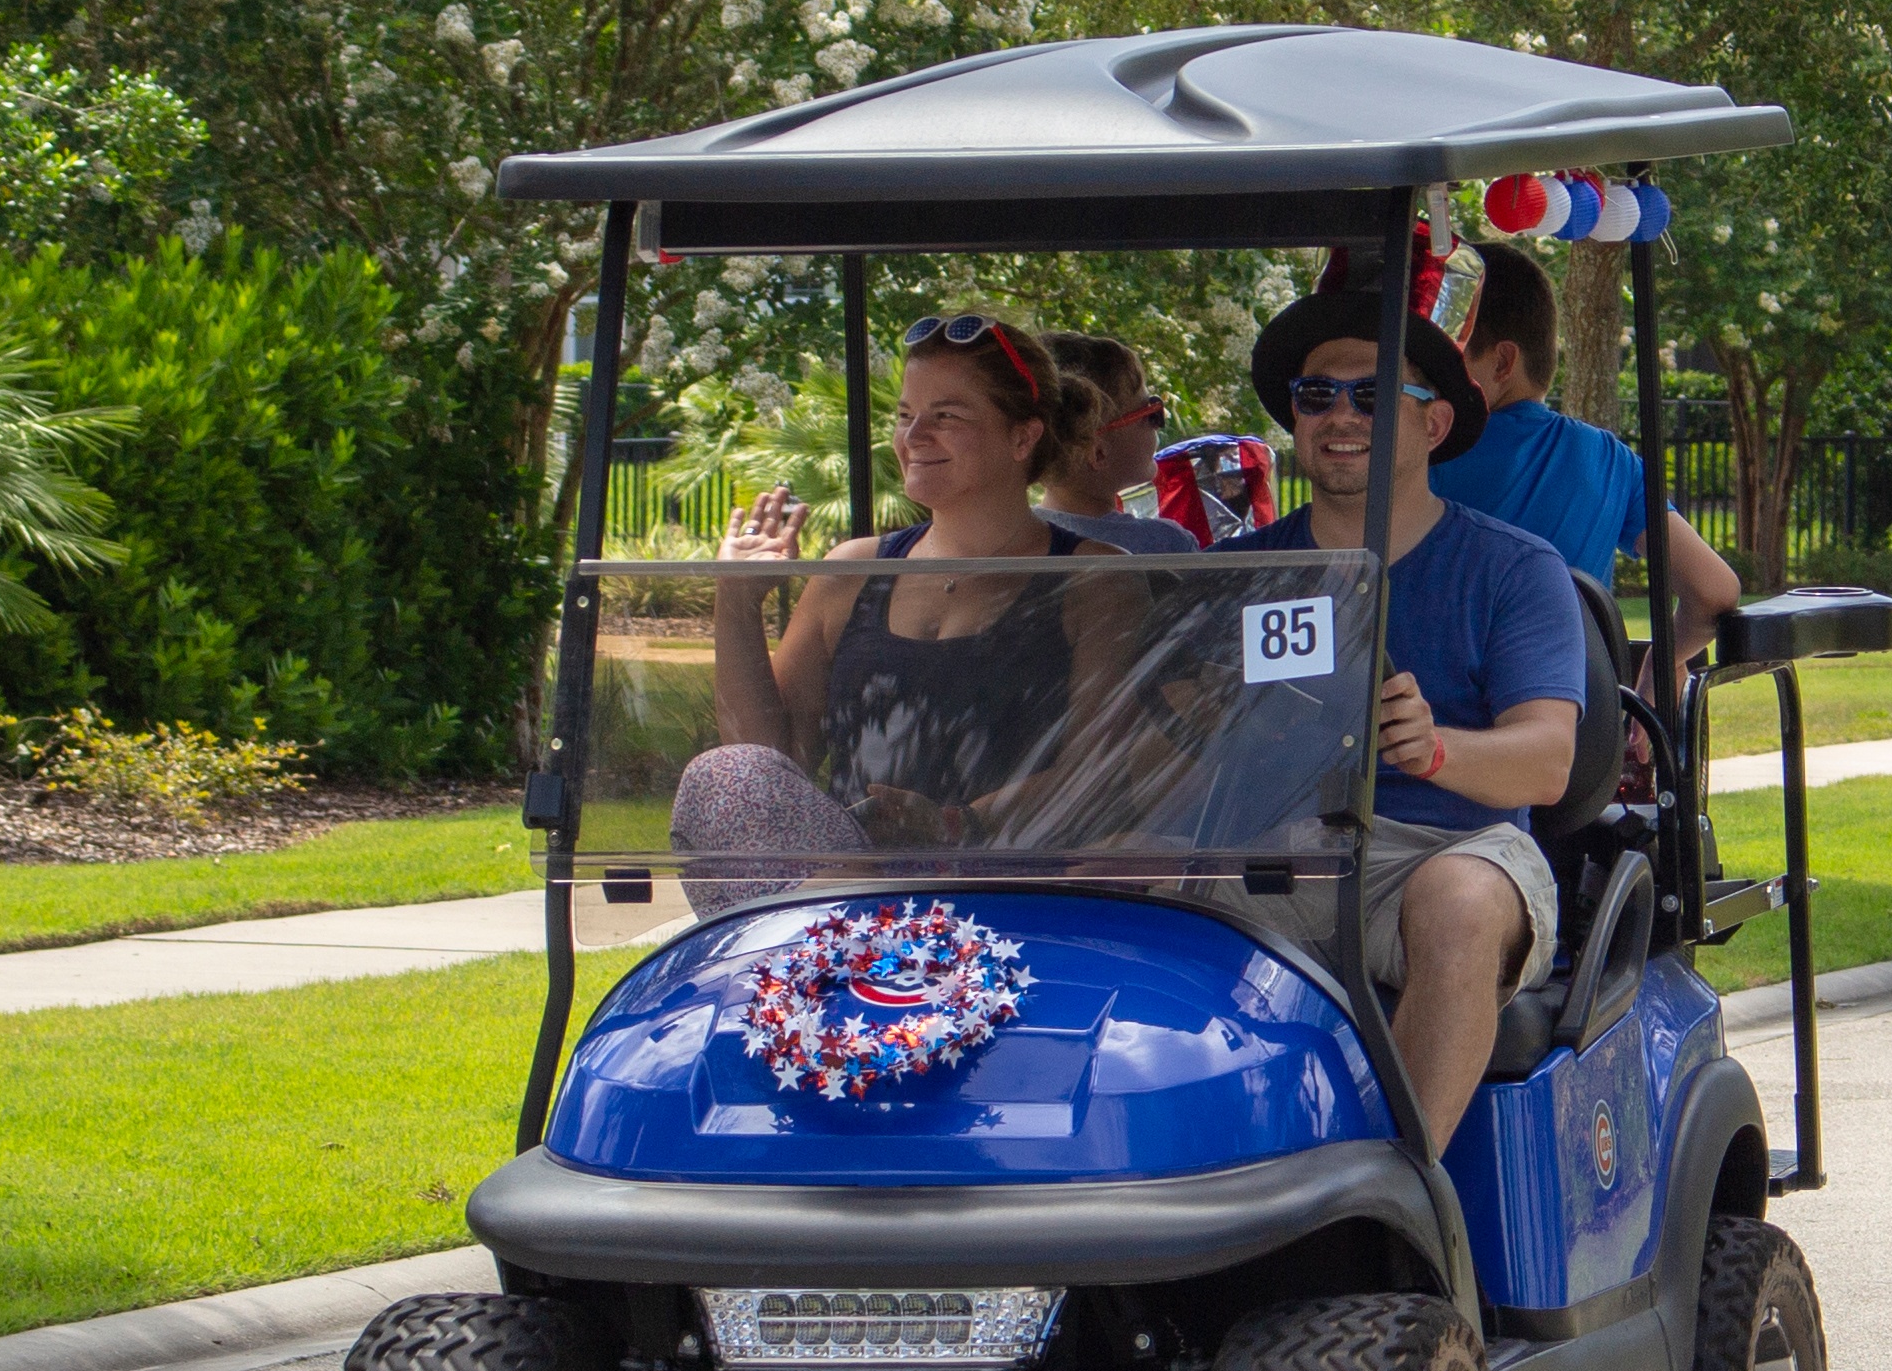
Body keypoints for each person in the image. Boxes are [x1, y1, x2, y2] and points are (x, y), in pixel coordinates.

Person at [1219, 291, 1585, 1155]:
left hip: (1450, 847)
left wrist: (1434, 747)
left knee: (1457, 904)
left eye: (1376, 397)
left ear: (1435, 423)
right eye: (1318, 396)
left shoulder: (1511, 568)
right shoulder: (1236, 576)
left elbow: (1545, 763)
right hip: (1282, 853)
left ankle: (1397, 1199)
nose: (1343, 417)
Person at [674, 312, 1131, 907]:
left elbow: (1108, 768)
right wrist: (735, 599)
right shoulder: (851, 571)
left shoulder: (1095, 579)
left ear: (1023, 437)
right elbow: (774, 761)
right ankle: (836, 928)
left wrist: (953, 825)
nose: (914, 437)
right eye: (905, 415)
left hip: (1019, 895)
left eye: (946, 416)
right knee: (722, 773)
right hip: (849, 910)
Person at [1434, 244, 1744, 647]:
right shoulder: (1613, 462)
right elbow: (1713, 590)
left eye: (1447, 355)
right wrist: (1658, 672)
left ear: (1501, 363)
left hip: (1440, 705)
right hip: (1579, 704)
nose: (1429, 375)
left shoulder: (1426, 451)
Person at [1033, 329, 1197, 552]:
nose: (1158, 422)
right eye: (1150, 411)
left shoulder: (1013, 541)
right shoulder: (1164, 544)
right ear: (1098, 453)